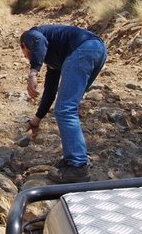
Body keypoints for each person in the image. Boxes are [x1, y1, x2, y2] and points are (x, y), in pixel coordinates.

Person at [20, 24, 107, 183]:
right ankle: (73, 160)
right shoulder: (56, 59)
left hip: (84, 49)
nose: (27, 58)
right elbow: (50, 92)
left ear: (25, 46)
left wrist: (33, 73)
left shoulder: (31, 34)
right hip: (97, 49)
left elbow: (38, 42)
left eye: (26, 55)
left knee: (65, 110)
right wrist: (36, 120)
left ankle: (77, 167)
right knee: (66, 108)